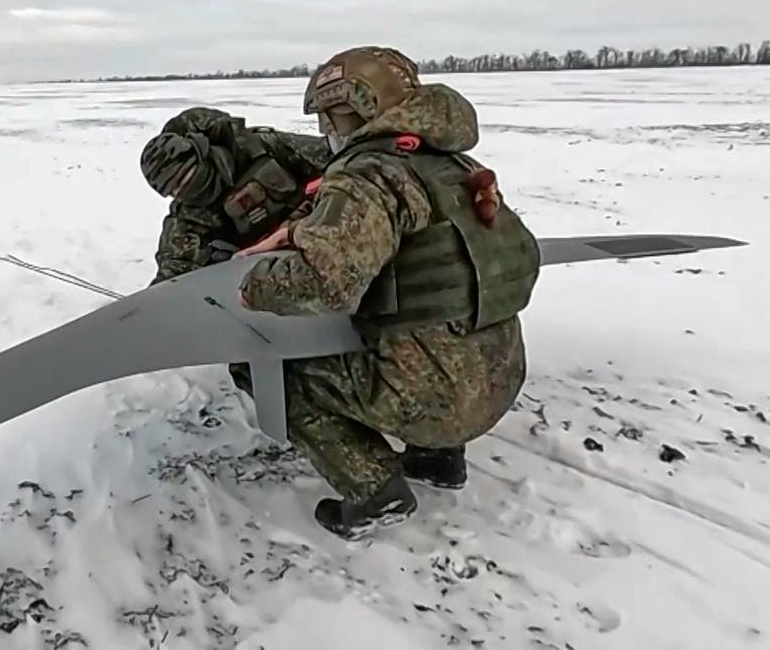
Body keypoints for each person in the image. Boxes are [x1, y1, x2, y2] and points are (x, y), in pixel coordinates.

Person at [235, 46, 541, 539]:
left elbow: (324, 283)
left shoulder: (369, 174)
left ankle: (373, 490)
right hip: (500, 379)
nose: (324, 134)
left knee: (271, 370)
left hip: (438, 400)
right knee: (433, 326)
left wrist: (252, 287)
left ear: (352, 110)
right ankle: (438, 461)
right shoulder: (450, 164)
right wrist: (297, 231)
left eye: (328, 120)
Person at [139, 106, 331, 285]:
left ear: (201, 155)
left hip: (327, 229)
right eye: (172, 191)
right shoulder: (189, 217)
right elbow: (173, 275)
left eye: (184, 179)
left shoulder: (261, 147)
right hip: (272, 271)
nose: (181, 191)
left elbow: (339, 161)